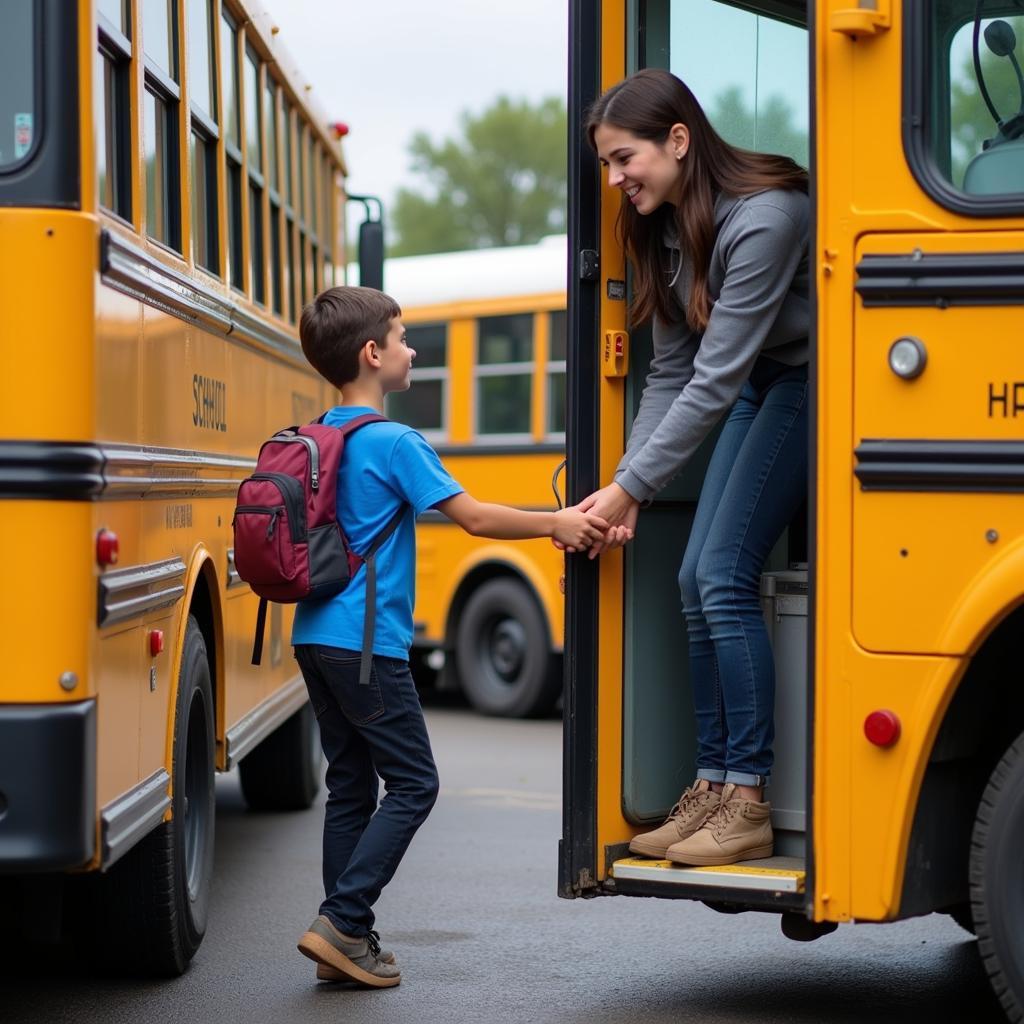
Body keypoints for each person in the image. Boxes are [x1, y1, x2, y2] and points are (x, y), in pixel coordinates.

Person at [291, 285, 608, 988]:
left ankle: (351, 944)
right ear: (373, 355)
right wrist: (554, 523)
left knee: (350, 786)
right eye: (403, 339)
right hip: (366, 641)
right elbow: (474, 519)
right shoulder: (394, 441)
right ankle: (342, 919)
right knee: (414, 783)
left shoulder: (323, 435)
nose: (412, 350)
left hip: (313, 633)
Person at [582, 68, 810, 867]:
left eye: (623, 159)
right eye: (607, 166)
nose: (616, 181)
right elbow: (671, 371)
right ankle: (712, 784)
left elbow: (715, 377)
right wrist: (629, 482)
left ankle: (747, 797)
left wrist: (626, 488)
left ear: (678, 140)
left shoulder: (768, 217)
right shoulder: (666, 230)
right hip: (758, 382)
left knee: (723, 574)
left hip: (813, 381)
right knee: (691, 580)